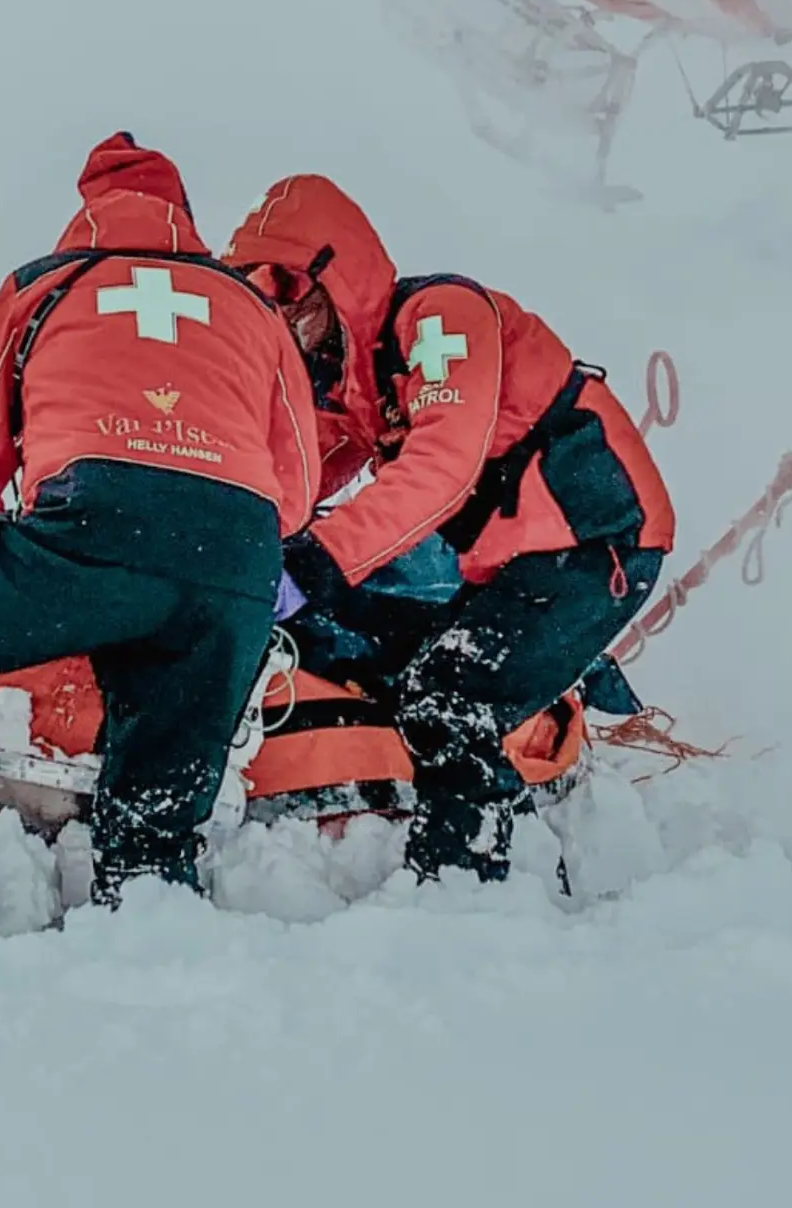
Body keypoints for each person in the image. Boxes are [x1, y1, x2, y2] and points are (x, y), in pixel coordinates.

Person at [0, 134, 319, 942]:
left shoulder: (45, 285)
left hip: (92, 530)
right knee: (152, 830)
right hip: (233, 565)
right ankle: (148, 943)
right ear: (184, 218)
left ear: (89, 211)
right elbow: (296, 488)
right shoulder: (251, 311)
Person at [224, 175, 674, 884]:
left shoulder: (439, 319)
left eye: (281, 282)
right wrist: (229, 545)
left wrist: (312, 564)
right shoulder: (354, 381)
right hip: (513, 563)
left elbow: (442, 466)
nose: (272, 308)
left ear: (334, 275)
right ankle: (497, 843)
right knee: (399, 661)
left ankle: (466, 881)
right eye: (254, 291)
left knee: (448, 696)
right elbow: (302, 478)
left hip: (596, 544)